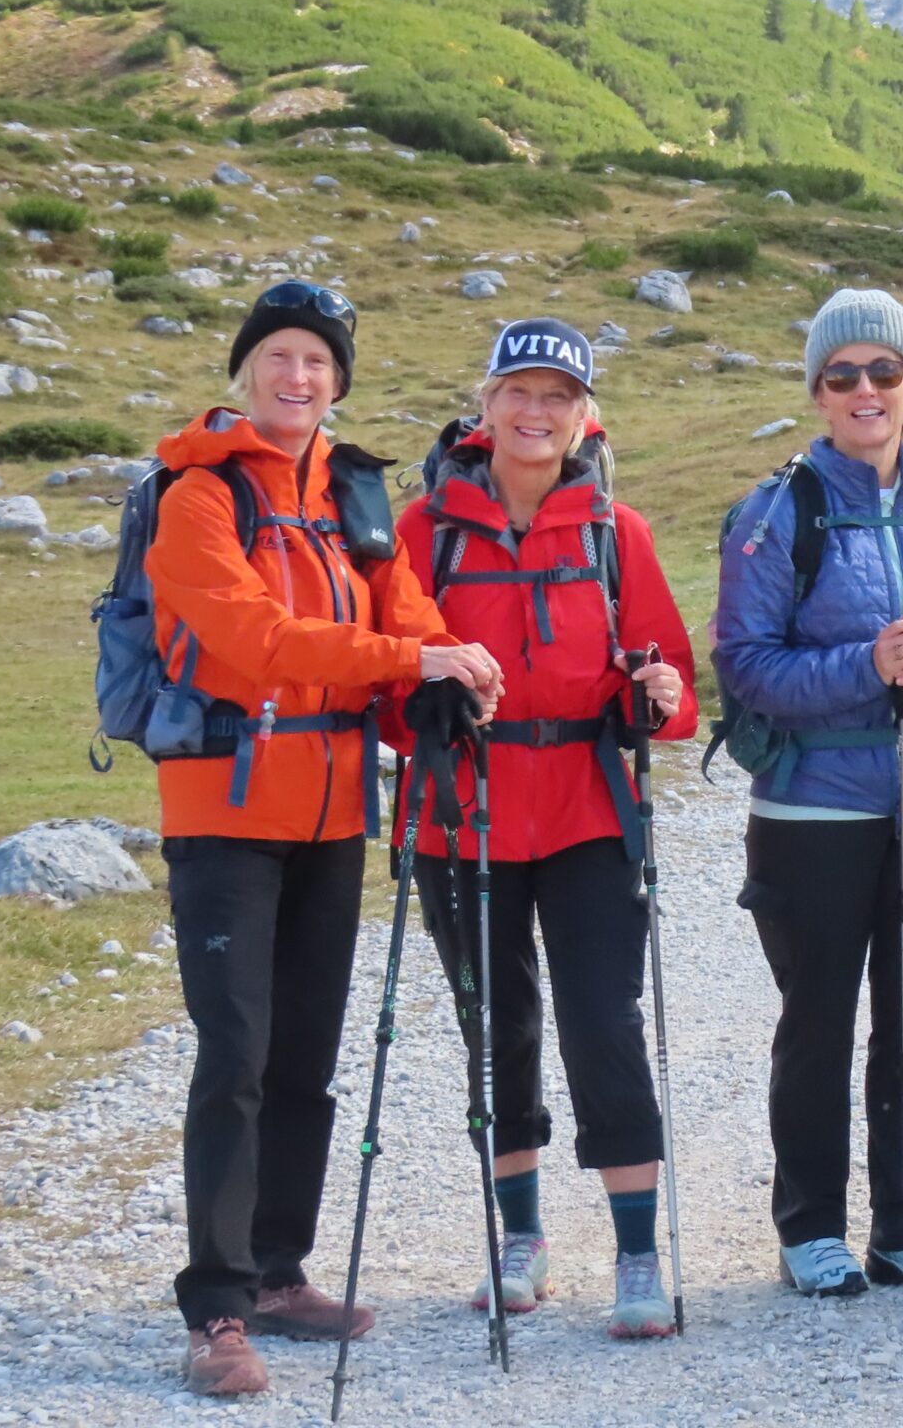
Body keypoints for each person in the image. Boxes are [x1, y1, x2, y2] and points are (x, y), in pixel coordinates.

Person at [147, 283, 502, 1397]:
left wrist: (451, 668)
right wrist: (409, 662)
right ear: (245, 371)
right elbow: (253, 640)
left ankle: (277, 1273)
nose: (297, 378)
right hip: (224, 815)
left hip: (334, 813)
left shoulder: (353, 495)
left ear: (338, 382)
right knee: (235, 1055)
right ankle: (215, 1310)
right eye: (279, 358)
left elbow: (409, 608)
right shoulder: (197, 496)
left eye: (317, 362)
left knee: (304, 1054)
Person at [389, 318, 699, 1340]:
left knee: (604, 1022)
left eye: (557, 396)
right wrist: (422, 700)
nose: (536, 411)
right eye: (518, 391)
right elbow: (381, 683)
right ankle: (519, 1237)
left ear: (583, 415)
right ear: (484, 405)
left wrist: (654, 695)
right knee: (497, 1026)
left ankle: (638, 1253)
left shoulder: (617, 532)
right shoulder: (423, 531)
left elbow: (673, 687)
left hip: (585, 813)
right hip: (460, 816)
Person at [714, 289, 903, 1298]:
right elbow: (745, 665)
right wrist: (870, 666)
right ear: (817, 392)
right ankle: (810, 1229)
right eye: (841, 374)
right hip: (812, 806)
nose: (865, 390)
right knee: (817, 1023)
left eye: (884, 372)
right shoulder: (778, 512)